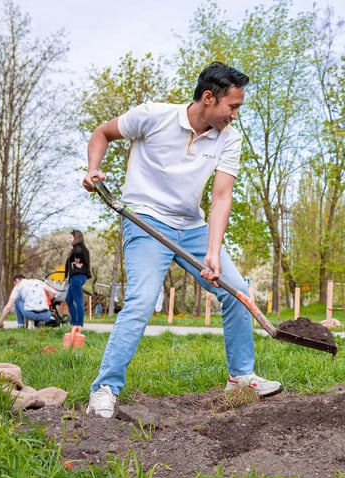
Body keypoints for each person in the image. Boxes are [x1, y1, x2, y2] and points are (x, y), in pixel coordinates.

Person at [81, 61, 281, 419]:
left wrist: (213, 251)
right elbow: (102, 133)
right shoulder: (152, 116)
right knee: (142, 301)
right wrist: (93, 167)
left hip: (191, 227)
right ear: (209, 98)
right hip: (145, 220)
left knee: (237, 292)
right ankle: (105, 388)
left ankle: (240, 377)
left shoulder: (229, 138)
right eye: (233, 107)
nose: (236, 115)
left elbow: (221, 197)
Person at [64, 229, 91, 327]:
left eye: (71, 237)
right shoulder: (81, 249)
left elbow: (79, 259)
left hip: (77, 276)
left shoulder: (77, 249)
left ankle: (78, 324)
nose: (69, 240)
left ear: (76, 238)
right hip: (76, 276)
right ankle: (74, 322)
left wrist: (77, 263)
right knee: (69, 300)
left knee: (78, 300)